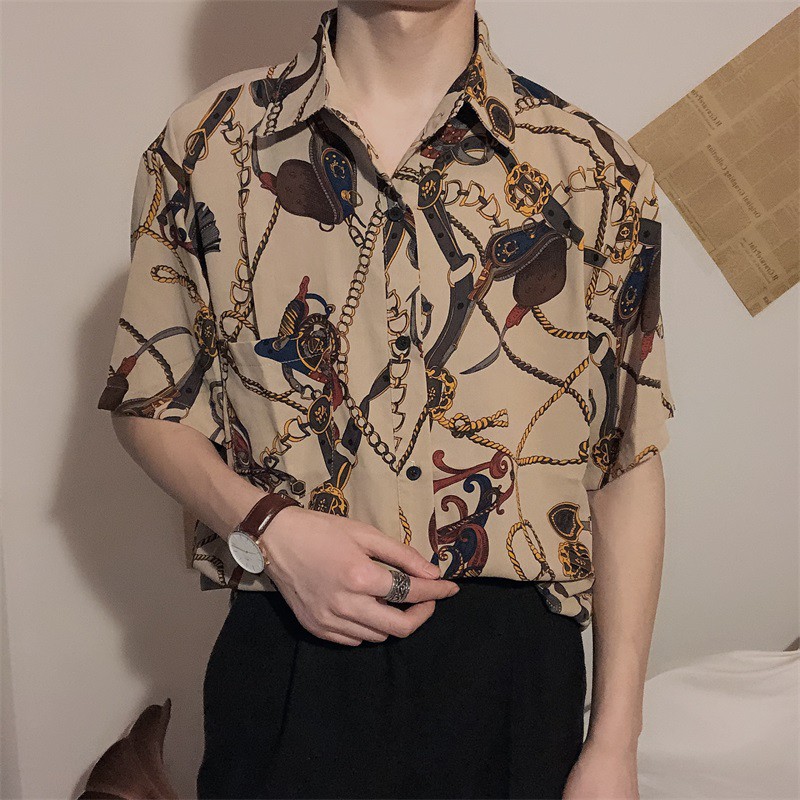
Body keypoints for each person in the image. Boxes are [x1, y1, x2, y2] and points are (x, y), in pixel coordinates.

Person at [97, 1, 676, 797]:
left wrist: (615, 743)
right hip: (290, 644)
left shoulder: (596, 171)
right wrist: (268, 526)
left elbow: (626, 463)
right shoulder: (206, 143)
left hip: (515, 678)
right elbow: (149, 403)